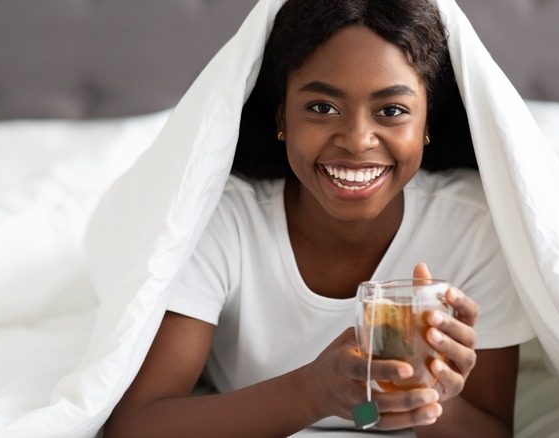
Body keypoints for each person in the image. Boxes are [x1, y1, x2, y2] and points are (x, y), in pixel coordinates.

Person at [104, 0, 533, 436]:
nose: (356, 140)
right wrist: (311, 393)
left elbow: (490, 430)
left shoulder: (475, 227)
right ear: (282, 119)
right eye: (323, 107)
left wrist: (430, 398)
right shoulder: (222, 220)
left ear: (427, 123)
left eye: (392, 111)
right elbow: (135, 425)